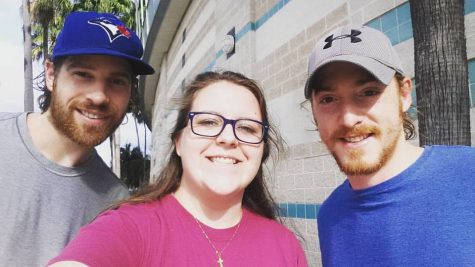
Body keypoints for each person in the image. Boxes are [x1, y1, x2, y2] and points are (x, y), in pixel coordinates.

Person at [47, 71, 308, 267]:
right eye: (208, 122)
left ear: (262, 148)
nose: (229, 138)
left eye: (247, 128)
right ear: (179, 142)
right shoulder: (131, 227)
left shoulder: (285, 246)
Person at [304, 24, 475, 266]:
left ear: (405, 94)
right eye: (328, 99)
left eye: (368, 92)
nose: (348, 118)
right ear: (313, 112)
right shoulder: (331, 216)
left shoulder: (469, 175)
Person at [0, 11, 154, 266]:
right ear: (51, 74)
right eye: (83, 74)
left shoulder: (116, 205)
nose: (99, 96)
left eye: (117, 81)